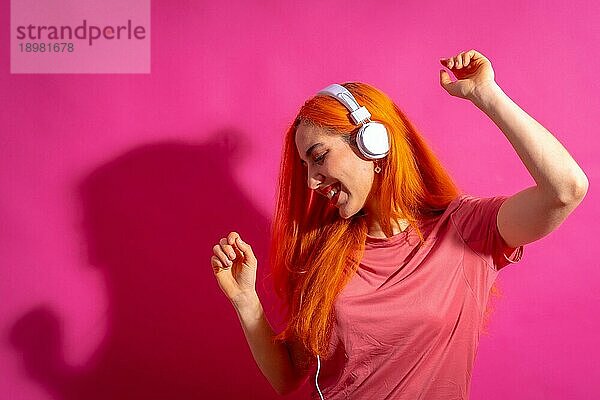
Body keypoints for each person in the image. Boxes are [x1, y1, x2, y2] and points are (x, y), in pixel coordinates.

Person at [210, 50, 589, 399]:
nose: (311, 182)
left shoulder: (465, 230)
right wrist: (246, 301)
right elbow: (288, 375)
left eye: (319, 157)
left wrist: (487, 95)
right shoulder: (323, 252)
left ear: (371, 142)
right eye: (305, 167)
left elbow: (566, 189)